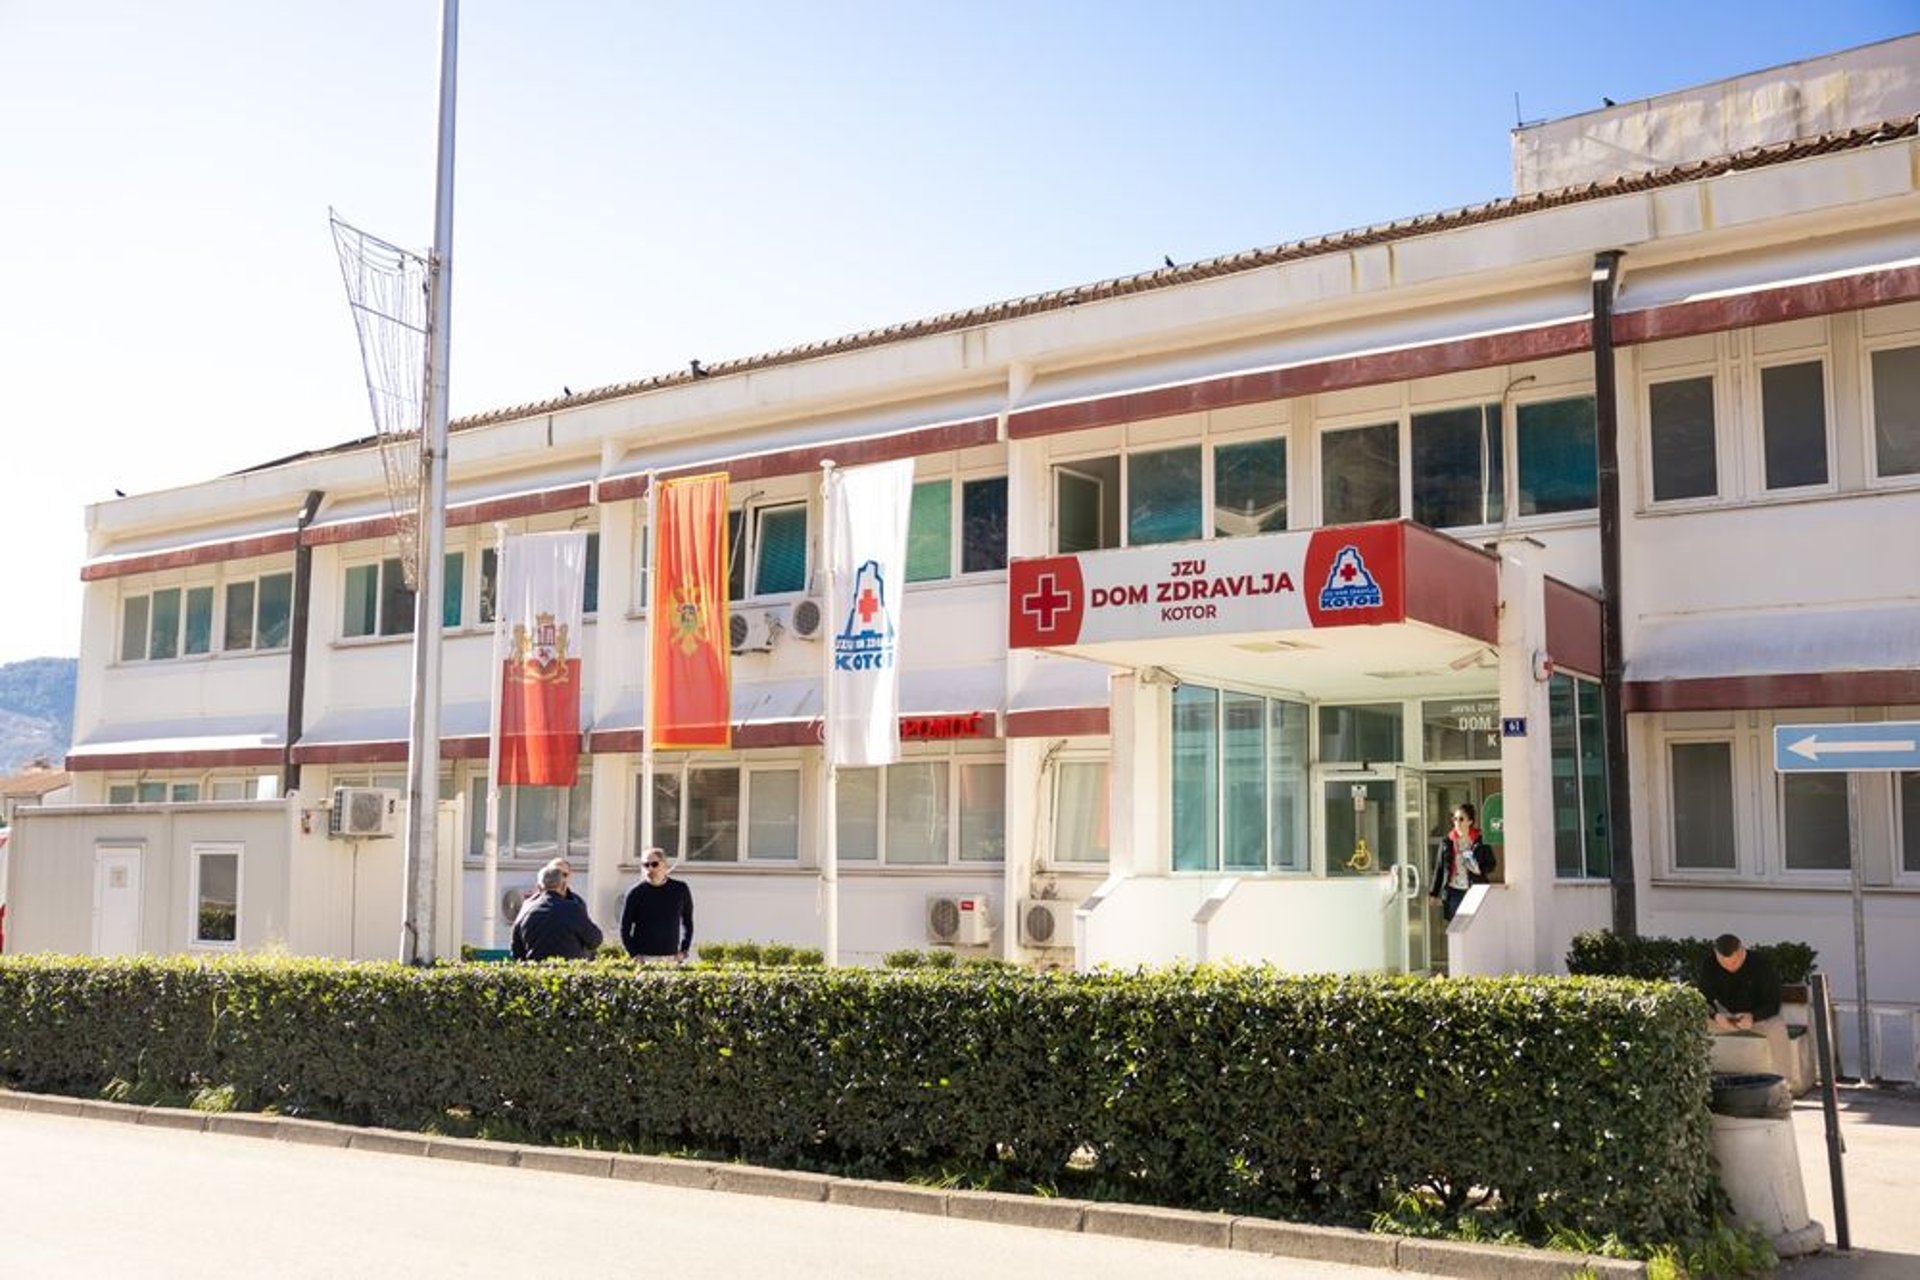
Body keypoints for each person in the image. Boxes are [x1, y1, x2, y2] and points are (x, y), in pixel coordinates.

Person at [1697, 933, 1792, 1078]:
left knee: (1777, 1027)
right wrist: (1716, 1016)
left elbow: (1773, 1003)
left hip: (1758, 1018)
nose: (1730, 967)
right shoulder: (1709, 964)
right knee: (1693, 1025)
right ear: (1716, 955)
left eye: (1735, 962)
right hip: (1725, 1018)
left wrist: (1753, 1016)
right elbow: (1703, 999)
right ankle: (1694, 1081)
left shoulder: (1761, 963)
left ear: (1742, 950)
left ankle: (1784, 1082)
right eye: (1724, 963)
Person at [510, 858, 604, 961]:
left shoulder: (526, 908)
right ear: (563, 886)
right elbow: (595, 939)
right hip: (569, 969)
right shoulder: (573, 908)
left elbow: (516, 951)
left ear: (539, 887)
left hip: (535, 969)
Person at [621, 847, 694, 963]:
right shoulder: (635, 893)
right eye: (646, 865)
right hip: (644, 958)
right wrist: (634, 954)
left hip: (671, 957)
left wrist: (684, 951)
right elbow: (624, 928)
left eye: (654, 864)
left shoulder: (680, 890)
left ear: (664, 865)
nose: (650, 868)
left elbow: (688, 923)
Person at [1429, 802, 1496, 923]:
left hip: (1475, 890)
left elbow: (1491, 864)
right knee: (1456, 926)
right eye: (1455, 819)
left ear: (1470, 821)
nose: (1457, 822)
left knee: (1475, 925)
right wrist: (1433, 893)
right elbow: (1440, 868)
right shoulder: (1447, 842)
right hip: (1454, 891)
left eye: (1461, 819)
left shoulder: (1480, 841)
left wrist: (1479, 869)